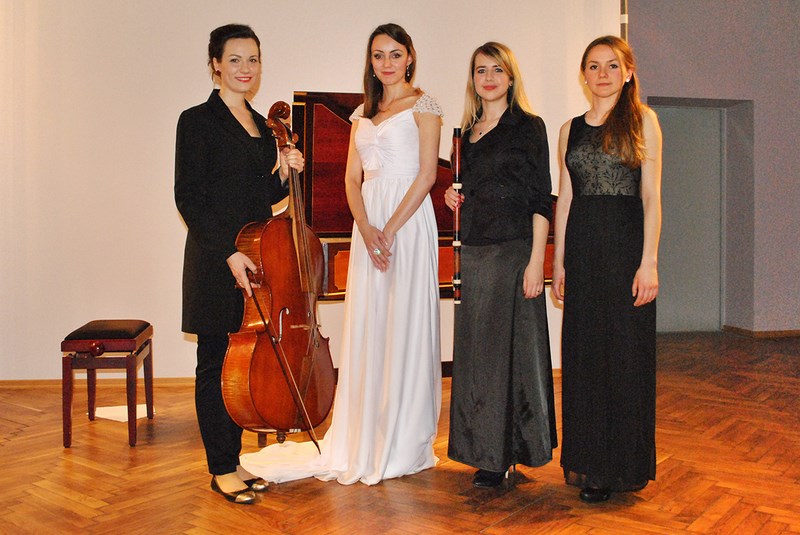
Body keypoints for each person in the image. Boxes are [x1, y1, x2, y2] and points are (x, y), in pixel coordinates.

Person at [240, 22, 442, 485]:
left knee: (405, 321)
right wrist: (366, 229)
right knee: (371, 323)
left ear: (410, 57)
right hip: (367, 222)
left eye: (395, 54)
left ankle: (403, 437)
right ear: (370, 61)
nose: (386, 63)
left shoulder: (425, 105)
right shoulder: (361, 114)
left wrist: (388, 230)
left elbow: (428, 175)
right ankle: (365, 432)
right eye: (378, 55)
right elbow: (352, 179)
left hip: (408, 224)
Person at [174, 23, 304, 504]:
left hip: (253, 259)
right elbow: (188, 197)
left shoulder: (262, 126)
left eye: (253, 60)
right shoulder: (196, 120)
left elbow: (259, 197)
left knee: (244, 365)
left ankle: (235, 459)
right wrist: (228, 253)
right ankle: (221, 468)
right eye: (235, 59)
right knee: (214, 363)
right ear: (215, 65)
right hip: (215, 260)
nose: (245, 69)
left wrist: (284, 175)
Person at [551, 35, 662, 503]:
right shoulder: (568, 129)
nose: (602, 74)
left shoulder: (643, 120)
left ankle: (625, 465)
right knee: (584, 360)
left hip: (625, 252)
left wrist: (649, 261)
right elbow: (565, 199)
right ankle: (592, 467)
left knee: (626, 358)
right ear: (583, 75)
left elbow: (651, 197)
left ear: (628, 72)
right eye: (594, 66)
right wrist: (558, 261)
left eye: (612, 65)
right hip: (582, 253)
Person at [444, 42, 557, 489]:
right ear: (472, 79)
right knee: (478, 359)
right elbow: (471, 190)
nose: (488, 78)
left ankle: (508, 453)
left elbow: (541, 199)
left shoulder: (528, 127)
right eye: (480, 70)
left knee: (512, 359)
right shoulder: (466, 134)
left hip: (513, 254)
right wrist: (453, 195)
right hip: (473, 254)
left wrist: (536, 262)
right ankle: (485, 453)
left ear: (510, 77)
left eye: (496, 70)